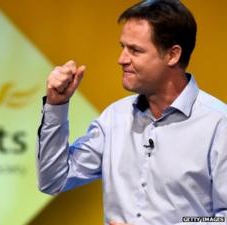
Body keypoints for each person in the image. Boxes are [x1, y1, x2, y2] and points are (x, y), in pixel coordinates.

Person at [36, 0, 227, 225]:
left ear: (172, 55)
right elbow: (53, 180)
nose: (122, 59)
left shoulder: (219, 124)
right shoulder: (114, 118)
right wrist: (56, 106)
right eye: (122, 47)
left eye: (134, 50)